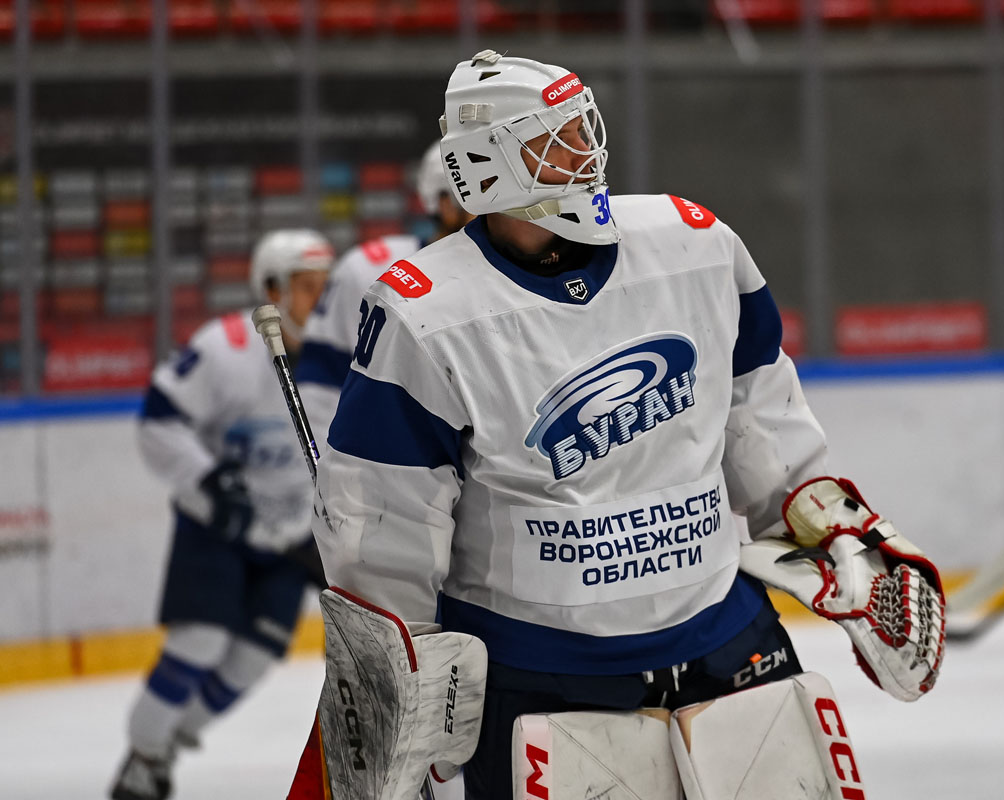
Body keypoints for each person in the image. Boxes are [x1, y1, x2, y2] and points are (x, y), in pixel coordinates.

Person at [293, 51, 946, 800]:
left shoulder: (693, 244)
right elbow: (385, 521)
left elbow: (758, 407)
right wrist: (395, 673)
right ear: (487, 165)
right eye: (554, 138)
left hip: (727, 636)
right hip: (541, 674)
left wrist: (830, 528)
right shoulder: (424, 313)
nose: (585, 150)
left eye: (582, 127)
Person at [109, 230, 334, 800]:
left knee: (250, 662)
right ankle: (142, 756)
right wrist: (209, 480)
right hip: (216, 529)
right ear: (272, 289)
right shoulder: (225, 348)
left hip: (289, 540)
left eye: (324, 285)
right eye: (307, 286)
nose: (321, 298)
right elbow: (159, 421)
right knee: (200, 643)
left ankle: (166, 746)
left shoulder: (341, 356)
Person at [296, 140, 474, 440]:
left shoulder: (533, 271)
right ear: (445, 203)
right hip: (393, 458)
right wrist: (333, 462)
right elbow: (322, 384)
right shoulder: (368, 270)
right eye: (483, 194)